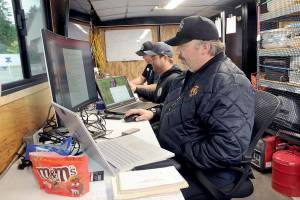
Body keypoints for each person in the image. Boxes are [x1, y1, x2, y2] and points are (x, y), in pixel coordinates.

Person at [125, 16, 255, 199]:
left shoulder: (229, 83)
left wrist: (175, 151)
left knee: (136, 193)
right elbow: (182, 107)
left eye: (183, 47)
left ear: (205, 47)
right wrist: (154, 113)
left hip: (203, 173)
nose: (178, 54)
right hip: (180, 157)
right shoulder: (196, 73)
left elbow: (227, 149)